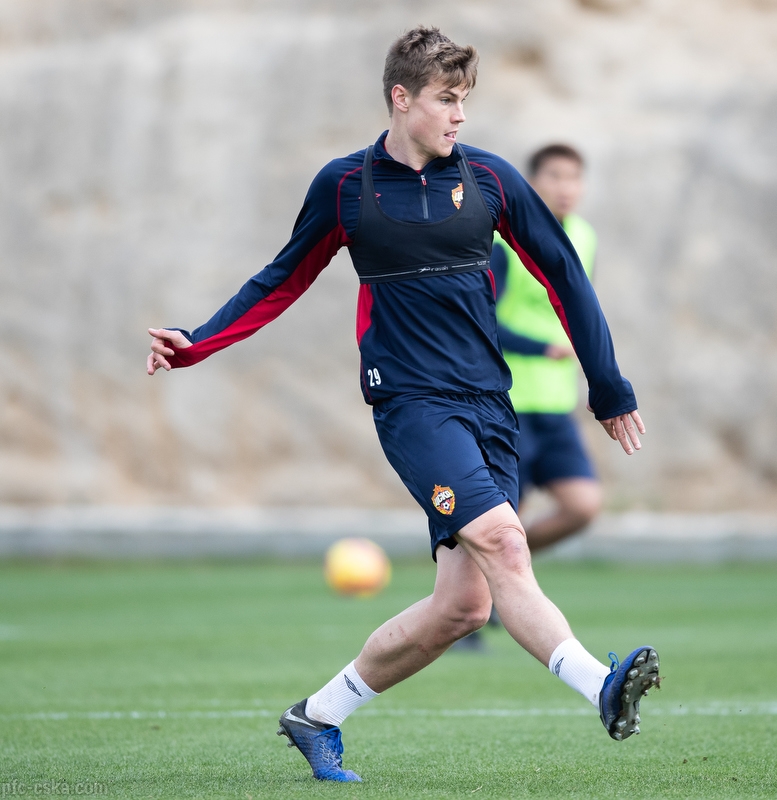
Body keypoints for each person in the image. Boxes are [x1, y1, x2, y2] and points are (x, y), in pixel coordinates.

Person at [145, 28, 659, 783]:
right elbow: (282, 279)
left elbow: (564, 276)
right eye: (446, 99)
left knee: (463, 609)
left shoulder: (489, 179)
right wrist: (195, 342)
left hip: (490, 404)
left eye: (464, 99)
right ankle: (601, 686)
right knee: (505, 541)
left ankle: (316, 716)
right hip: (412, 405)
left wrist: (607, 386)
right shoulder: (346, 186)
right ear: (401, 97)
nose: (459, 114)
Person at [494, 144, 602, 552]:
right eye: (554, 176)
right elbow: (482, 322)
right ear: (532, 183)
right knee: (506, 520)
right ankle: (498, 572)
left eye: (573, 178)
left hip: (557, 402)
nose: (565, 187)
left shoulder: (585, 237)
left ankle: (506, 566)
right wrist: (541, 348)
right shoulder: (504, 241)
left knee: (583, 506)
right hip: (510, 402)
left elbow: (582, 312)